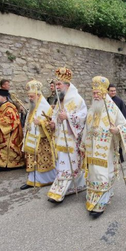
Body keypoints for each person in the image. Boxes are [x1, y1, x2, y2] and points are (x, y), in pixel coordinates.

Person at [80, 76, 126, 218]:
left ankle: (100, 204)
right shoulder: (92, 109)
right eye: (94, 93)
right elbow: (86, 128)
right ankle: (92, 200)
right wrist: (83, 145)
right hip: (91, 151)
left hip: (106, 151)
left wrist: (117, 131)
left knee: (103, 175)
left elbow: (125, 127)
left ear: (104, 93)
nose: (95, 96)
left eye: (98, 93)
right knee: (93, 174)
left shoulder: (112, 109)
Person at [47, 68, 87, 203]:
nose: (57, 87)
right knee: (64, 164)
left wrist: (68, 117)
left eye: (59, 84)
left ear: (67, 85)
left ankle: (58, 193)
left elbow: (83, 117)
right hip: (61, 138)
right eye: (56, 84)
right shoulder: (60, 99)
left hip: (71, 139)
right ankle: (78, 185)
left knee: (70, 165)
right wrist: (53, 123)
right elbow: (55, 115)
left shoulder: (77, 99)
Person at [20, 79, 56, 190]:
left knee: (42, 160)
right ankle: (32, 180)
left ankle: (47, 179)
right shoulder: (32, 107)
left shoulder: (46, 108)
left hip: (42, 141)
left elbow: (51, 126)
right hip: (31, 139)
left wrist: (40, 123)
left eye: (32, 97)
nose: (30, 99)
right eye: (29, 96)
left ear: (38, 95)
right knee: (31, 159)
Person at [0, 89, 25, 173]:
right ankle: (1, 164)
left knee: (7, 149)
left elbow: (12, 120)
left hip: (9, 133)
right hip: (1, 131)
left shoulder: (9, 107)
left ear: (4, 97)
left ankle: (9, 165)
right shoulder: (1, 106)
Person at [108, 83, 126, 163]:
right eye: (111, 91)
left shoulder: (119, 101)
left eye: (114, 91)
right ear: (108, 91)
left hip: (117, 125)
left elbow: (124, 114)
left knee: (117, 143)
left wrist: (123, 126)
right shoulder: (106, 101)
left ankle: (120, 158)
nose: (113, 92)